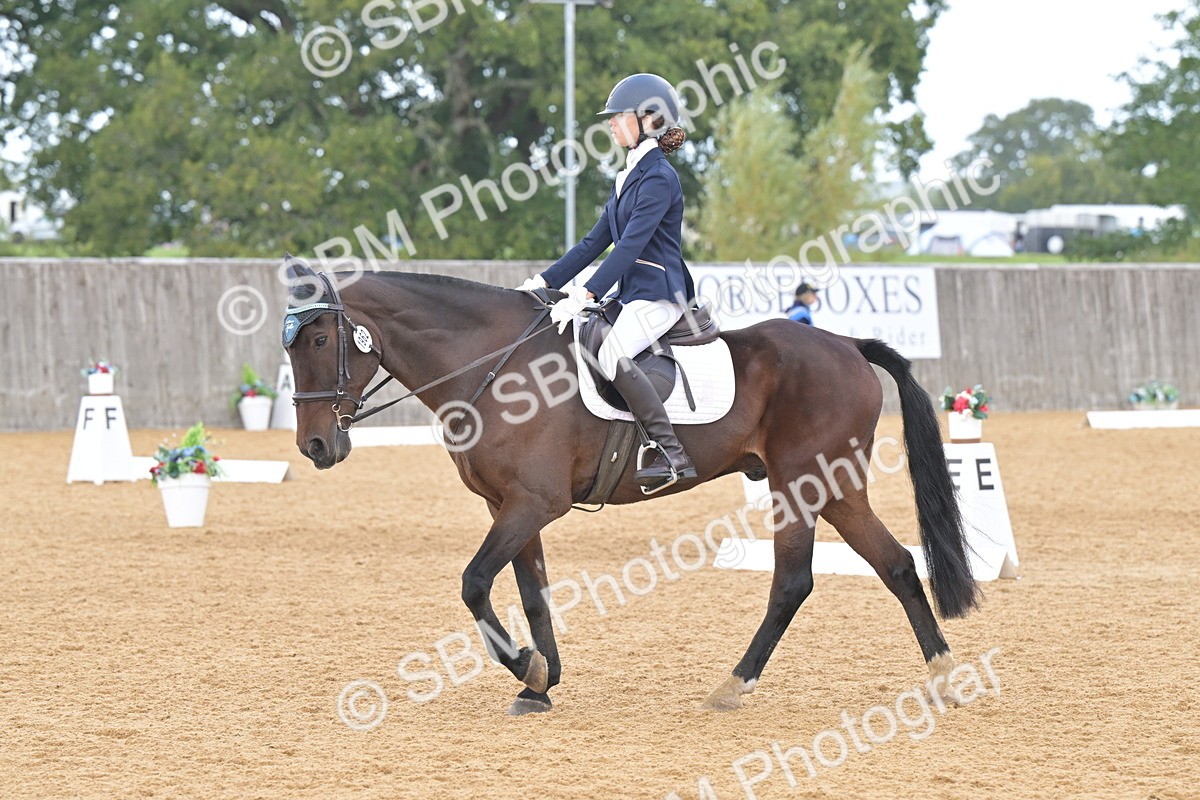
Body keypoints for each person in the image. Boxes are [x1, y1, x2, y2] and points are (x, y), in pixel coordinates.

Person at [516, 73, 697, 488]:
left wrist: (586, 291)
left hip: (660, 293)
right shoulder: (627, 177)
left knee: (613, 355)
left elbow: (630, 247)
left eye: (618, 117)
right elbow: (591, 243)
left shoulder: (658, 177)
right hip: (631, 293)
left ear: (648, 119)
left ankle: (670, 453)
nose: (611, 124)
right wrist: (542, 282)